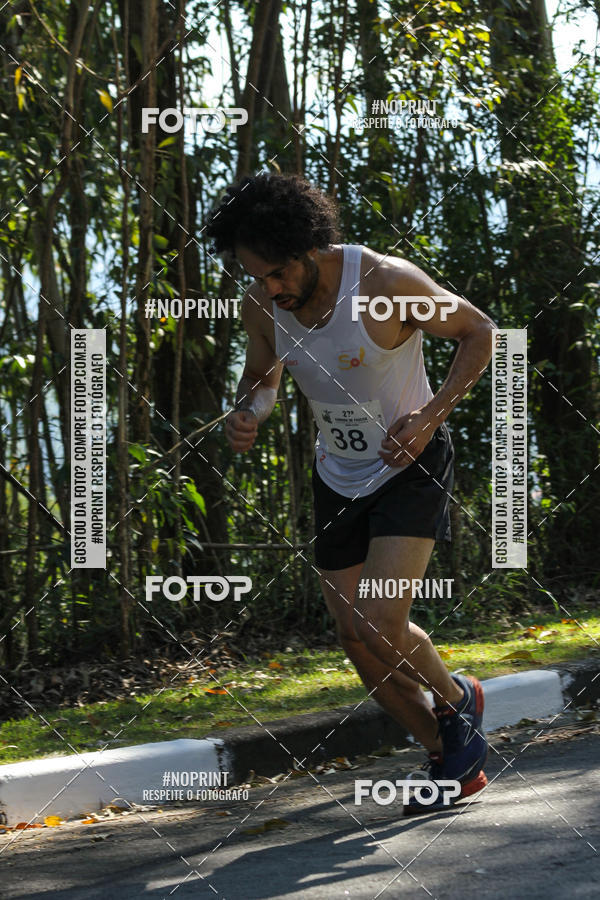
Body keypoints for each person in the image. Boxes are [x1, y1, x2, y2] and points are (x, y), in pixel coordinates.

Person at [206, 173, 495, 813]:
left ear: (309, 246)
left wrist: (432, 417)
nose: (270, 289)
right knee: (353, 636)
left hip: (408, 464)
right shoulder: (264, 305)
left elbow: (480, 332)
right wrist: (250, 411)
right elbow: (262, 376)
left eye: (278, 273)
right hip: (337, 475)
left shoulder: (385, 284)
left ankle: (456, 702)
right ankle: (450, 757)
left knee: (379, 618)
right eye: (256, 277)